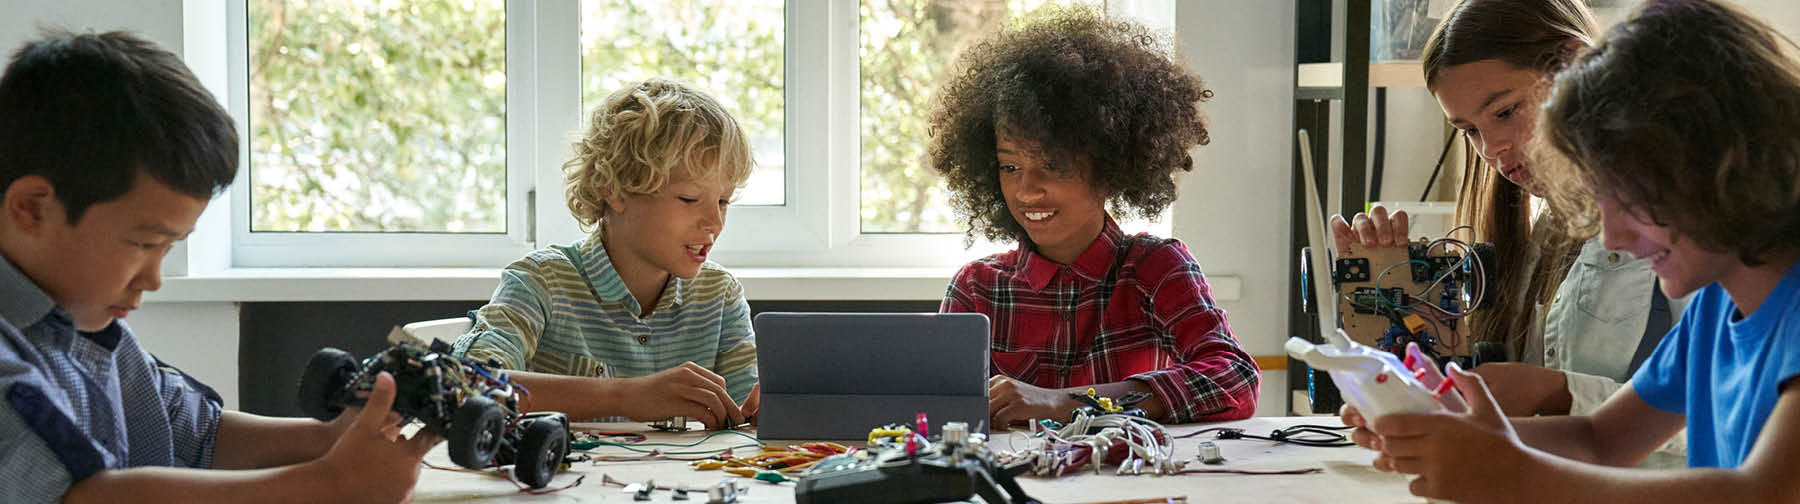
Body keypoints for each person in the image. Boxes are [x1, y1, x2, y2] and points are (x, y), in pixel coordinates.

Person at [1347, 1, 1800, 500]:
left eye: (1630, 197)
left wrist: (1514, 469)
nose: (1611, 237)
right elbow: (1600, 439)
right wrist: (1443, 427)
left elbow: (1767, 493)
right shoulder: (1715, 310)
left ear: (1720, 160)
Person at [0, 31, 435, 502]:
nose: (154, 278)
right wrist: (330, 483)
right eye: (145, 243)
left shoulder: (85, 321)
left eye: (169, 248)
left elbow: (200, 437)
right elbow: (82, 497)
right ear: (32, 208)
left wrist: (329, 440)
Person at [1330, 1, 1685, 465]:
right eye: (1469, 131)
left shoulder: (1687, 225)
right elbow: (1568, 429)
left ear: (1573, 66)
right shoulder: (1540, 235)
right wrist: (1401, 310)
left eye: (1505, 111)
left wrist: (1554, 393)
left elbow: (1720, 417)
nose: (1492, 149)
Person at [931, 5, 1259, 426]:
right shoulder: (978, 289)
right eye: (1010, 167)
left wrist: (1066, 402)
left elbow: (1235, 379)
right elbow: (940, 412)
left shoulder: (1156, 269)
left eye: (1053, 164)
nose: (1027, 189)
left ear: (1110, 164)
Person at [453, 78, 758, 429]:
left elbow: (744, 425)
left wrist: (769, 411)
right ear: (614, 190)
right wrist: (625, 396)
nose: (714, 222)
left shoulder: (719, 294)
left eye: (723, 201)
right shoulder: (542, 282)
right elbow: (466, 385)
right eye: (689, 199)